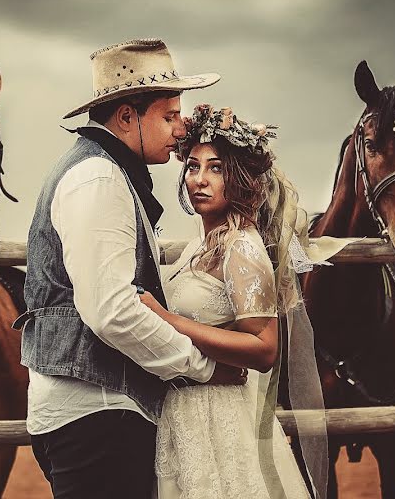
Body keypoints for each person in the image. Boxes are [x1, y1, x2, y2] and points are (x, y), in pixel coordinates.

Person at [13, 38, 246, 499]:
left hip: (94, 412)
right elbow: (113, 311)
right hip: (97, 416)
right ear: (126, 116)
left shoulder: (102, 172)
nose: (180, 128)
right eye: (169, 115)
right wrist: (201, 367)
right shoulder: (98, 179)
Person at [139, 104, 354, 498]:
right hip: (186, 416)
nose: (199, 180)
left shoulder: (241, 247)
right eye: (192, 166)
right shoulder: (201, 243)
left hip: (221, 419)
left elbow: (264, 348)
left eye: (215, 168)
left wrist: (166, 320)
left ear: (238, 178)